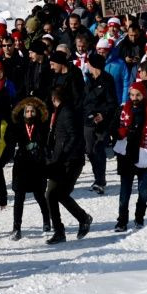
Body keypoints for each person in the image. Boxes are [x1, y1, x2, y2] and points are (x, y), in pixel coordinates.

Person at [113, 83, 147, 231]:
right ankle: (122, 221)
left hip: (145, 154)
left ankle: (139, 218)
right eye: (132, 95)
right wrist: (120, 132)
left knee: (143, 192)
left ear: (143, 95)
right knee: (125, 193)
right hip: (127, 156)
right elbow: (114, 128)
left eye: (138, 95)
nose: (134, 98)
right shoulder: (123, 110)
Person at [44, 87, 93, 245]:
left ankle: (83, 218)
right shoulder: (61, 112)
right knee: (51, 194)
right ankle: (59, 231)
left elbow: (74, 137)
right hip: (60, 161)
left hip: (70, 161)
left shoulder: (67, 112)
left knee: (60, 194)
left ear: (54, 99)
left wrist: (63, 154)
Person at [2, 97, 52, 239]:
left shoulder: (42, 125)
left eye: (32, 111)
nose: (30, 113)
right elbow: (8, 138)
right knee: (19, 197)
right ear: (23, 113)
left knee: (39, 195)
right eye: (27, 111)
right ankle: (16, 227)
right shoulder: (16, 125)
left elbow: (45, 140)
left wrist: (37, 145)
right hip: (21, 165)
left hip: (37, 164)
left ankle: (47, 220)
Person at [81, 52, 118, 195]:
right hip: (88, 121)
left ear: (94, 65)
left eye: (89, 63)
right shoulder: (88, 79)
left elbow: (112, 103)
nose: (87, 65)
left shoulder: (107, 80)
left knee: (99, 149)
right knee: (90, 151)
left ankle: (100, 181)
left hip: (103, 123)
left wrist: (102, 114)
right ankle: (97, 177)